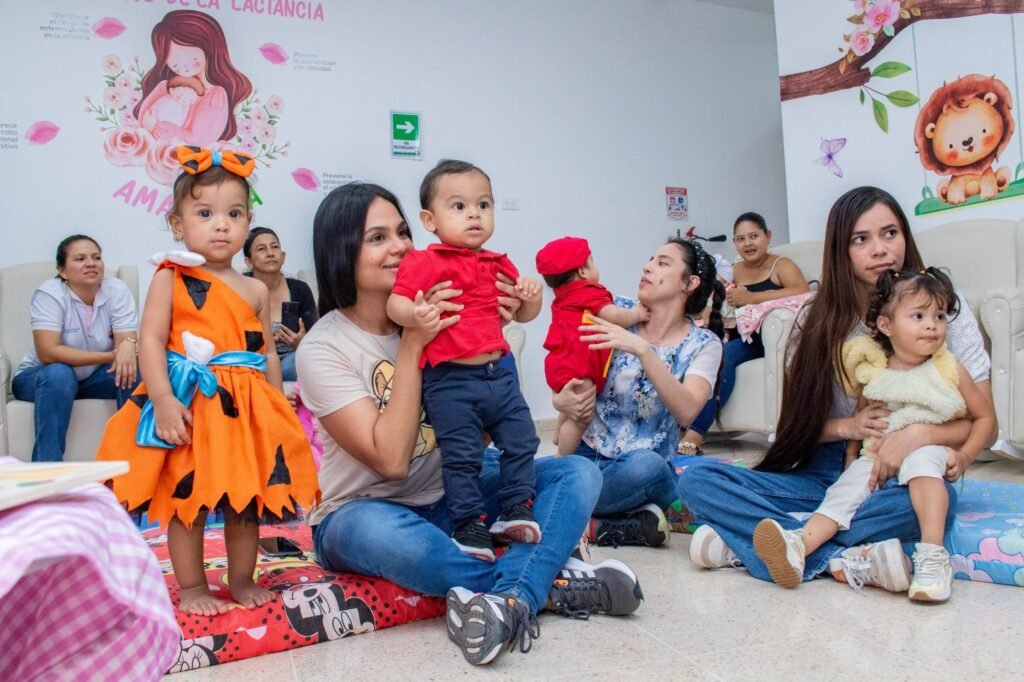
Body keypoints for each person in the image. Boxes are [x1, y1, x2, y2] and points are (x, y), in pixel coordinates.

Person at [298, 182, 643, 667]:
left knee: (576, 473)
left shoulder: (452, 310)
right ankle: (547, 582)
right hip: (362, 510)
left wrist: (486, 341)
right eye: (377, 238)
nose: (398, 245)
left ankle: (509, 598)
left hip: (451, 493)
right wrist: (415, 343)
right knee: (420, 553)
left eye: (401, 231)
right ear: (340, 251)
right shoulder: (323, 347)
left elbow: (477, 436)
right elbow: (393, 462)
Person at [681, 186, 995, 596]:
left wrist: (920, 435)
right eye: (860, 240)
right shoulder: (815, 320)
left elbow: (983, 418)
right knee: (697, 482)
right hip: (830, 470)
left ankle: (763, 545)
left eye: (890, 233)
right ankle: (842, 559)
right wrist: (851, 427)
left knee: (934, 506)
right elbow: (796, 430)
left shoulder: (943, 312)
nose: (880, 250)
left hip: (904, 474)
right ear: (840, 252)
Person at [95, 146, 319, 616]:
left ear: (247, 219)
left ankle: (240, 579)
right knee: (188, 497)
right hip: (193, 401)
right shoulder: (170, 277)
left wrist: (278, 406)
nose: (221, 224)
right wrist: (162, 399)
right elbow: (152, 341)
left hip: (246, 407)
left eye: (233, 213)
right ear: (178, 224)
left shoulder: (255, 288)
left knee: (245, 497)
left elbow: (266, 355)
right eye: (205, 212)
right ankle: (194, 586)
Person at [753, 267, 995, 602]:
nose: (932, 325)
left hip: (931, 447)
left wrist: (965, 455)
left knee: (923, 464)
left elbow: (983, 417)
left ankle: (932, 557)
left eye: (939, 316)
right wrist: (852, 459)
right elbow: (860, 419)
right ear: (886, 325)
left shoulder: (950, 368)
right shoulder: (876, 373)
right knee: (843, 493)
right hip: (877, 457)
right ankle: (800, 545)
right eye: (919, 316)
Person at [386, 159, 544, 562]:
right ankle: (468, 523)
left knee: (524, 438)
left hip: (498, 373)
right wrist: (414, 316)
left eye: (483, 204)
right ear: (429, 219)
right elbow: (396, 301)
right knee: (463, 455)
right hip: (451, 378)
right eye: (458, 206)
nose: (474, 214)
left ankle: (515, 509)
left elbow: (522, 314)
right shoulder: (424, 262)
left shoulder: (499, 262)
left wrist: (533, 296)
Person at [553, 237, 725, 547]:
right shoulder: (614, 310)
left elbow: (687, 411)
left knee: (648, 466)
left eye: (663, 263)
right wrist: (560, 400)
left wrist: (643, 350)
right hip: (584, 456)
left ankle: (564, 510)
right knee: (505, 465)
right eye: (650, 259)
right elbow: (568, 364)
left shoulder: (703, 344)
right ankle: (606, 525)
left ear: (689, 283)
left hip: (641, 470)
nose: (647, 267)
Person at [679, 212, 809, 455]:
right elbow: (716, 297)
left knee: (724, 357)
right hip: (736, 334)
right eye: (741, 239)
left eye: (754, 236)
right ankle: (679, 426)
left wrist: (752, 298)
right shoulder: (734, 270)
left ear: (767, 236)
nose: (748, 243)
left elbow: (801, 291)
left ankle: (695, 433)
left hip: (766, 341)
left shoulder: (781, 265)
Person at [12, 235, 139, 462]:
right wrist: (111, 354)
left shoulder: (117, 290)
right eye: (80, 259)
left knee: (134, 372)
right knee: (60, 373)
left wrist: (128, 347)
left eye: (96, 257)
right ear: (62, 271)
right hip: (41, 379)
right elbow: (48, 352)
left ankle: (131, 464)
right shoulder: (50, 293)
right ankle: (47, 474)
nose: (91, 263)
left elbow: (127, 345)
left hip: (91, 380)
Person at [535, 236, 649, 456]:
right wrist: (636, 313)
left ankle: (559, 434)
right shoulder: (588, 291)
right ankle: (563, 457)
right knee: (580, 417)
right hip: (578, 367)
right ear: (583, 271)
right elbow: (614, 316)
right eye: (592, 261)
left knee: (571, 406)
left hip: (560, 363)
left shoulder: (563, 297)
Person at [135, 10, 252, 144]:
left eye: (191, 56)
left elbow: (198, 141)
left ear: (209, 48)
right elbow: (141, 124)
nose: (184, 65)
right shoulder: (163, 87)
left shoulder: (215, 97)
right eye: (174, 60)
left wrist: (155, 128)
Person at [243, 226, 318, 382]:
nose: (270, 253)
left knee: (307, 361)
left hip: (292, 360)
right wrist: (264, 341)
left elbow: (316, 341)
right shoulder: (240, 290)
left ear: (283, 257)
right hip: (256, 363)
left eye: (275, 247)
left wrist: (300, 342)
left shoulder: (300, 289)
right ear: (248, 262)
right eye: (261, 249)